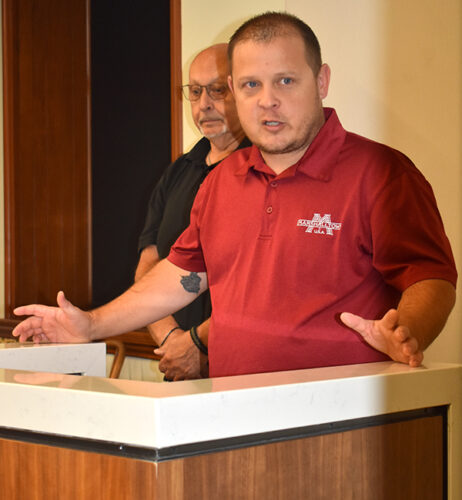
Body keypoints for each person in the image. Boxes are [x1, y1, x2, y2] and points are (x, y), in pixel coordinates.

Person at [13, 12, 457, 380]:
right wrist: (91, 324)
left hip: (341, 426)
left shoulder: (382, 172)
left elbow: (431, 277)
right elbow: (180, 276)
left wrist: (409, 330)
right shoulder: (222, 179)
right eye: (250, 85)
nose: (268, 101)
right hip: (230, 414)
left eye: (286, 81)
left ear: (321, 81)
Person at [134, 43, 248, 380]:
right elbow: (148, 265)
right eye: (195, 92)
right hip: (178, 363)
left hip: (239, 368)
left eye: (217, 90)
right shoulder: (177, 172)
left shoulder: (264, 169)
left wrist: (198, 345)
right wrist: (173, 340)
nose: (204, 104)